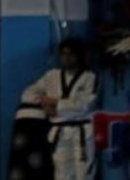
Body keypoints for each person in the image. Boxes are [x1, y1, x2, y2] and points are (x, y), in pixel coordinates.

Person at [17, 38, 98, 180]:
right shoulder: (51, 76)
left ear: (79, 56)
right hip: (58, 131)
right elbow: (27, 94)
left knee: (83, 174)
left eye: (71, 54)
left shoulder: (90, 78)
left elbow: (84, 106)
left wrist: (55, 103)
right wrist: (44, 103)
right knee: (61, 174)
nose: (66, 58)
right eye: (63, 54)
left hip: (82, 132)